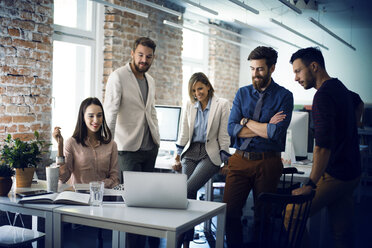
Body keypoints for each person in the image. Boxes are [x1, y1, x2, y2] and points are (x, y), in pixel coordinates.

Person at [290, 47, 361, 248]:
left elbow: (322, 147)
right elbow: (359, 101)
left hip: (336, 174)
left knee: (291, 215)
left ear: (314, 66)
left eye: (298, 71)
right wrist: (352, 127)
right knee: (341, 233)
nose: (295, 78)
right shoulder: (339, 87)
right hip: (352, 173)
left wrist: (310, 184)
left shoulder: (322, 97)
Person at [224, 46, 293, 247]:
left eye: (260, 69)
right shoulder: (242, 93)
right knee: (229, 213)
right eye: (252, 69)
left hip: (268, 162)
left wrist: (245, 121)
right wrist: (264, 127)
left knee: (263, 218)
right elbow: (231, 128)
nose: (255, 74)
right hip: (239, 160)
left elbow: (275, 133)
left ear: (272, 68)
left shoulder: (284, 96)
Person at [103, 37, 160, 248]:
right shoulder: (118, 77)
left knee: (144, 202)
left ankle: (140, 243)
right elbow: (110, 113)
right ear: (132, 53)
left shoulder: (151, 80)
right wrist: (107, 147)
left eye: (148, 56)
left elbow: (151, 110)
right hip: (127, 149)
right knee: (129, 203)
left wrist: (158, 137)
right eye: (141, 55)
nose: (144, 60)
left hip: (149, 148)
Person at [172, 72, 231, 248]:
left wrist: (226, 160)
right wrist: (177, 155)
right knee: (189, 194)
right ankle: (186, 242)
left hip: (209, 153)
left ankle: (177, 239)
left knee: (186, 189)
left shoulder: (222, 104)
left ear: (207, 86)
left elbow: (224, 135)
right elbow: (184, 132)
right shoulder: (190, 105)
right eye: (194, 90)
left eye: (200, 88)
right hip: (190, 152)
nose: (198, 93)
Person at [53, 97, 119, 189]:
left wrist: (98, 186)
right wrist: (60, 146)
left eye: (99, 115)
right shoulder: (72, 143)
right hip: (78, 197)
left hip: (102, 197)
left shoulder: (112, 145)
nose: (96, 120)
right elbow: (62, 177)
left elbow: (115, 179)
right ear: (83, 117)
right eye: (91, 116)